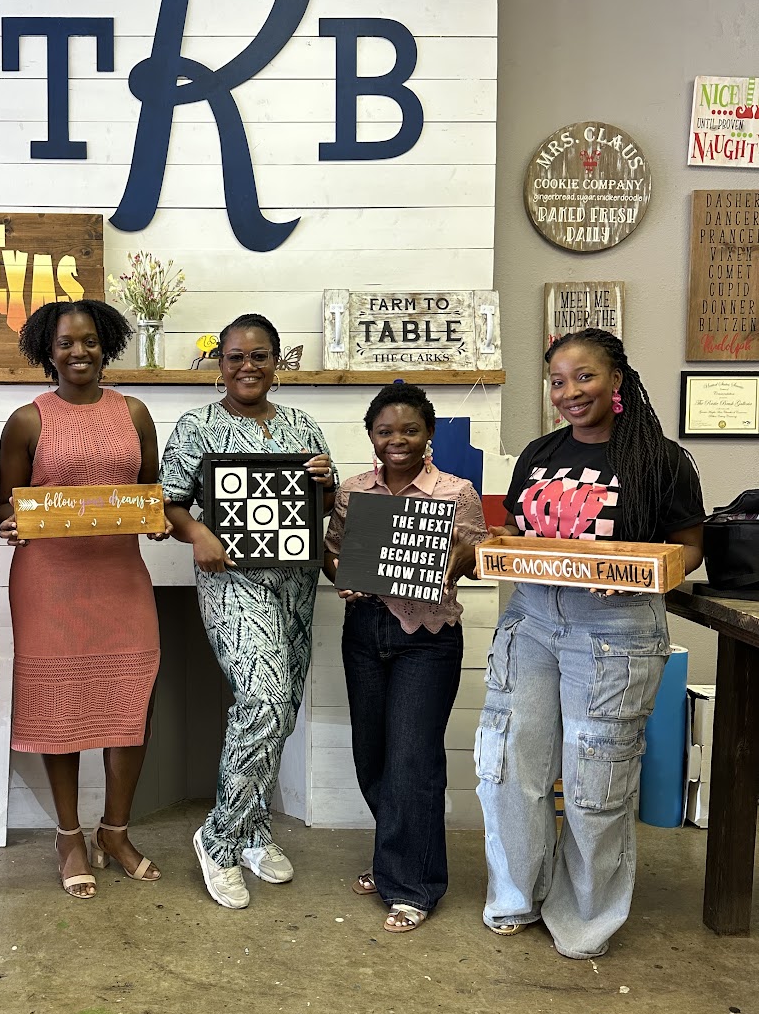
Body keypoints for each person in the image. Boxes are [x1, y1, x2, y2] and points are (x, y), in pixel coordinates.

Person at [476, 328, 705, 959]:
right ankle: (516, 895)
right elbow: (523, 533)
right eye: (557, 380)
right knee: (506, 763)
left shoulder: (661, 459)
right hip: (532, 618)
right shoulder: (538, 452)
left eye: (585, 376)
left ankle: (586, 917)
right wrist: (492, 544)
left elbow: (689, 546)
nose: (570, 392)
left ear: (617, 380)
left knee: (594, 778)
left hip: (616, 630)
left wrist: (640, 570)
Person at [161, 313, 335, 909]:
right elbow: (169, 505)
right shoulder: (196, 427)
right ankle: (219, 838)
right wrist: (197, 533)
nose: (247, 366)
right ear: (220, 364)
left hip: (296, 582)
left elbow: (325, 507)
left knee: (281, 707)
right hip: (232, 581)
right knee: (262, 697)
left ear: (278, 362)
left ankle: (255, 827)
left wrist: (327, 480)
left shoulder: (303, 425)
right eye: (235, 356)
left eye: (260, 356)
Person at [0, 300, 164, 900]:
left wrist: (156, 519)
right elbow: (3, 505)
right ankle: (68, 835)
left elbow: (152, 490)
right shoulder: (25, 420)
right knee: (58, 712)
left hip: (120, 576)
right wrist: (9, 522)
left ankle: (114, 831)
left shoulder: (135, 412)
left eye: (90, 341)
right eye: (66, 343)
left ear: (106, 345)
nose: (79, 353)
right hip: (50, 583)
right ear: (48, 350)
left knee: (131, 703)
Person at [323, 382, 488, 934]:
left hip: (428, 634)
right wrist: (342, 577)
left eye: (410, 430)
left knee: (413, 758)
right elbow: (334, 553)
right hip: (365, 630)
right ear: (371, 436)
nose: (398, 440)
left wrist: (452, 563)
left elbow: (476, 557)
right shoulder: (352, 491)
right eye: (385, 431)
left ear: (429, 434)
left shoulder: (455, 491)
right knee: (372, 754)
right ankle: (395, 854)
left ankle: (413, 885)